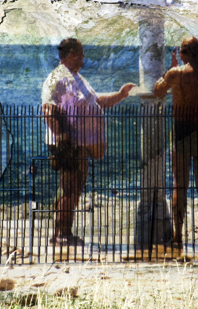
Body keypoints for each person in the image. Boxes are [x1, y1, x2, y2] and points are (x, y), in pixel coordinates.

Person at [42, 38, 136, 247]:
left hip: (80, 144)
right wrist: (62, 137)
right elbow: (48, 110)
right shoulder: (57, 78)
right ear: (71, 54)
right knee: (70, 189)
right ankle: (61, 235)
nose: (83, 58)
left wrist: (120, 95)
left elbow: (96, 101)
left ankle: (64, 232)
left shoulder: (76, 78)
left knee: (73, 189)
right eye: (81, 54)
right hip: (69, 144)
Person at [153, 36, 198, 253]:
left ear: (181, 54)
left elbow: (157, 91)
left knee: (180, 187)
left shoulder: (176, 74)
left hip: (182, 130)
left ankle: (178, 236)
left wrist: (170, 69)